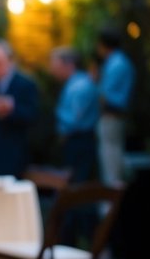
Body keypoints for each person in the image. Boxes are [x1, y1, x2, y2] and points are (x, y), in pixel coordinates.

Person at [0, 40, 39, 177]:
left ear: (10, 60)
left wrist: (11, 109)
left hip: (12, 156)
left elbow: (33, 116)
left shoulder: (25, 84)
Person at [49, 47, 99, 182]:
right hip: (76, 140)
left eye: (56, 66)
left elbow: (74, 119)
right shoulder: (73, 84)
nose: (53, 70)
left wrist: (55, 115)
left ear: (69, 65)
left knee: (76, 184)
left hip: (80, 141)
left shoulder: (80, 86)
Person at [96, 26, 134, 185]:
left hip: (111, 116)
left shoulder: (115, 63)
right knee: (114, 158)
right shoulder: (120, 61)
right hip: (116, 117)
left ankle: (112, 198)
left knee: (111, 164)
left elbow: (105, 95)